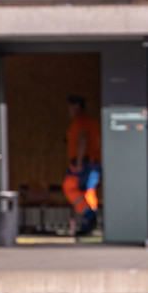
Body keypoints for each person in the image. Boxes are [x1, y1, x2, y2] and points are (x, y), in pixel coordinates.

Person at [62, 95, 102, 235]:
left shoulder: (81, 121)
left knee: (70, 186)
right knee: (88, 190)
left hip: (85, 162)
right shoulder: (91, 121)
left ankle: (89, 216)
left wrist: (79, 162)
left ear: (76, 106)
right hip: (93, 161)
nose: (69, 110)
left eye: (70, 106)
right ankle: (90, 219)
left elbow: (82, 139)